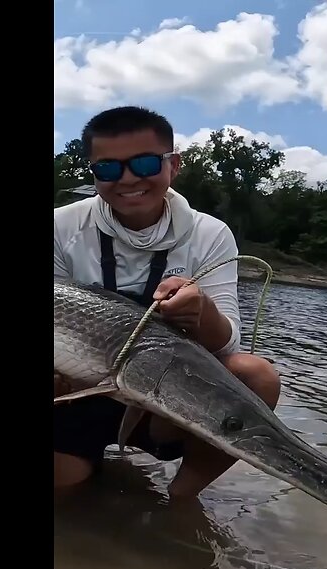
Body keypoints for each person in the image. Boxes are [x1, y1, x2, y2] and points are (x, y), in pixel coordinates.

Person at [53, 106, 282, 499]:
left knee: (255, 374)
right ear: (93, 174)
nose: (127, 180)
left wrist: (202, 312)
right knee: (68, 496)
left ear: (173, 165)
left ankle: (181, 499)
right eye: (108, 169)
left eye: (143, 163)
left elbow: (226, 345)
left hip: (165, 398)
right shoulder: (62, 226)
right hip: (77, 385)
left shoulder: (209, 234)